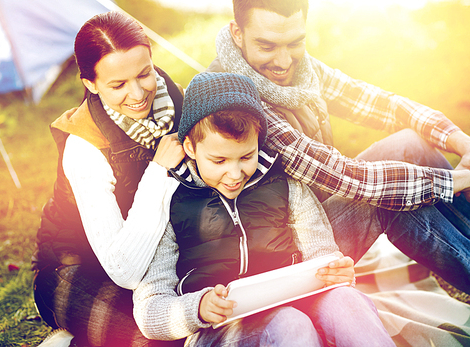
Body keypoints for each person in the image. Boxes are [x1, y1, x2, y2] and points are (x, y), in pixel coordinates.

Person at [206, 0, 470, 293]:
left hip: (317, 211)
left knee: (410, 144)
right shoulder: (235, 101)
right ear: (237, 33)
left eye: (295, 43)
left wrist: (461, 142)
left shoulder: (303, 70)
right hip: (285, 255)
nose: (283, 61)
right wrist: (454, 181)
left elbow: (377, 102)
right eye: (267, 47)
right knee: (389, 197)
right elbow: (351, 179)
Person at [133, 72, 395, 346]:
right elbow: (149, 310)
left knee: (346, 301)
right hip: (219, 332)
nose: (234, 174)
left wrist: (333, 273)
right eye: (219, 160)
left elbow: (321, 254)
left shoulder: (285, 184)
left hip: (296, 302)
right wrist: (196, 308)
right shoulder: (169, 201)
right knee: (290, 324)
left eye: (246, 156)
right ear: (190, 147)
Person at [32, 11, 186, 347]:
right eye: (117, 85)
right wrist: (158, 171)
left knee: (197, 326)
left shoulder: (176, 102)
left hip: (159, 256)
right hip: (75, 272)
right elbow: (124, 270)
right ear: (90, 84)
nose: (137, 94)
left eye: (144, 73)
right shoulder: (83, 148)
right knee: (156, 340)